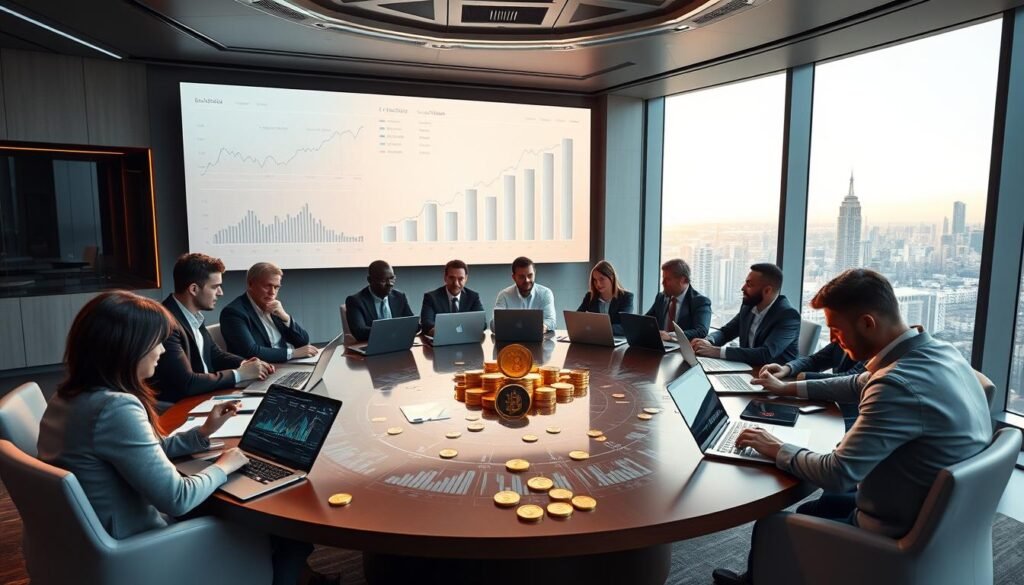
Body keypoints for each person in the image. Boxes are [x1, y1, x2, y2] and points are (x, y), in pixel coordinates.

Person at [711, 269, 992, 585]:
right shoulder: (940, 352)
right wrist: (786, 386)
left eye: (835, 329)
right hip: (939, 520)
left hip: (893, 532)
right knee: (824, 504)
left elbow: (837, 472)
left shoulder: (896, 386)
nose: (832, 339)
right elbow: (856, 382)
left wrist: (776, 447)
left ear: (867, 323)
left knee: (774, 524)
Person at [150, 253, 272, 403]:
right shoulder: (165, 322)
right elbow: (187, 383)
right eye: (215, 287)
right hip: (181, 407)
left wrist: (248, 364)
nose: (221, 293)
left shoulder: (192, 315)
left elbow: (215, 354)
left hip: (205, 397)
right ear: (194, 289)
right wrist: (239, 374)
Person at [691, 263, 800, 366]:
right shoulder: (748, 306)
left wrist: (716, 352)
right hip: (747, 368)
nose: (743, 288)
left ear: (767, 290)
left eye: (749, 285)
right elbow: (726, 332)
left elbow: (766, 354)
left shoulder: (788, 316)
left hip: (777, 378)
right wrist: (708, 341)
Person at [220, 262, 318, 363]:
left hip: (284, 365)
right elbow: (250, 352)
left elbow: (303, 342)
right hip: (260, 372)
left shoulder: (274, 307)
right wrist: (293, 353)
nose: (272, 292)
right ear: (250, 284)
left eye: (276, 287)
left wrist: (285, 317)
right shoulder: (233, 312)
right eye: (267, 286)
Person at [345, 259, 416, 342]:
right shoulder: (355, 301)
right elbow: (360, 332)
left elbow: (412, 324)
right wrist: (394, 330)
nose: (390, 284)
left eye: (392, 278)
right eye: (383, 280)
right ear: (370, 280)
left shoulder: (399, 297)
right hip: (372, 346)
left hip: (398, 343)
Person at [643, 258, 710, 341]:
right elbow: (646, 321)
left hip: (683, 350)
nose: (663, 283)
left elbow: (701, 331)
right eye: (663, 278)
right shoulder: (661, 297)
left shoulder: (700, 302)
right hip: (659, 347)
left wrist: (671, 336)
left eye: (667, 279)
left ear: (682, 280)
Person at [420, 259, 484, 336]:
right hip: (441, 341)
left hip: (465, 340)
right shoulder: (431, 297)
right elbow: (427, 323)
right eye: (452, 278)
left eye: (460, 279)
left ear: (466, 278)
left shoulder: (473, 297)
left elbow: (482, 323)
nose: (456, 283)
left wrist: (453, 330)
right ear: (445, 277)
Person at [492, 256, 556, 332]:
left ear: (534, 273)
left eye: (530, 275)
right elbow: (494, 324)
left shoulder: (545, 293)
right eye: (521, 277)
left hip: (538, 339)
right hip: (512, 341)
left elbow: (551, 321)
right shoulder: (504, 295)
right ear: (514, 277)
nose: (527, 280)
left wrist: (543, 327)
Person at [576, 260, 634, 335]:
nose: (598, 284)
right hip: (594, 338)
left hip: (616, 340)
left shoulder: (626, 297)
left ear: (612, 277)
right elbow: (577, 319)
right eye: (595, 280)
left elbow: (625, 327)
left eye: (601, 279)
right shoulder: (590, 297)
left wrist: (598, 328)